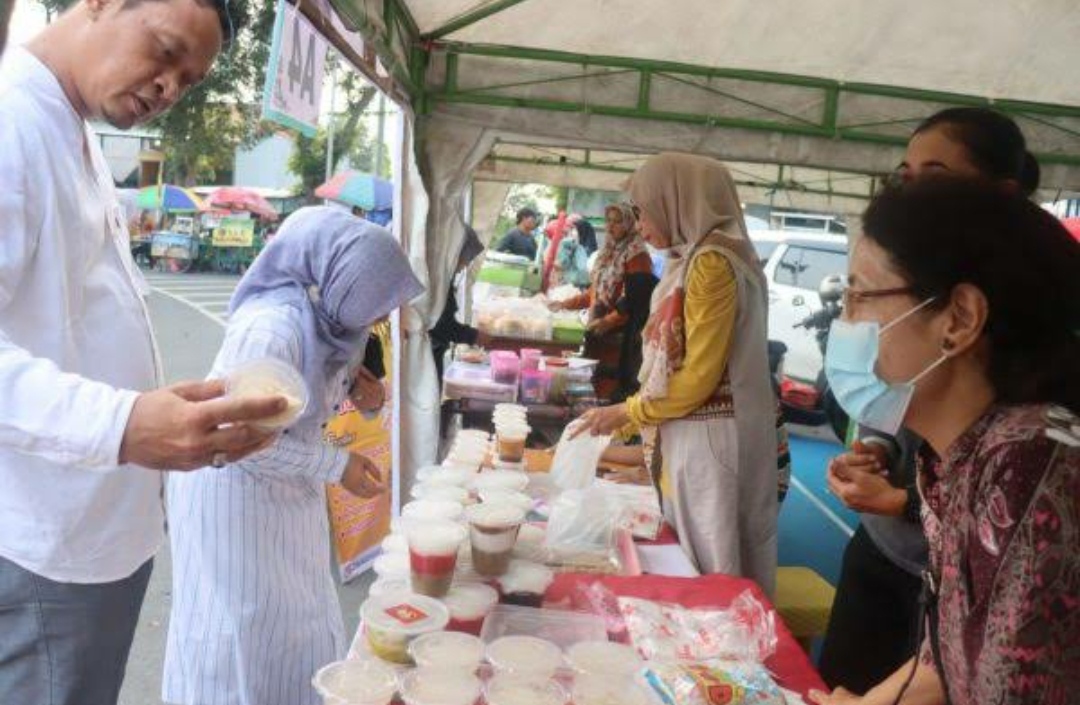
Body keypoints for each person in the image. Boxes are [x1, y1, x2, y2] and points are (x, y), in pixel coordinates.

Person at [0, 2, 290, 703]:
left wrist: (168, 406)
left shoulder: (73, 131)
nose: (168, 89)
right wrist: (126, 422)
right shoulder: (11, 124)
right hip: (49, 545)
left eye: (187, 82)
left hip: (95, 536)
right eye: (163, 51)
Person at [810, 177, 1079, 705]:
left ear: (958, 320)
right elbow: (949, 656)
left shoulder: (1031, 463)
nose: (844, 321)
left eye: (858, 295)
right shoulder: (958, 455)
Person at [163, 207, 424, 705]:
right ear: (344, 282)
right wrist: (337, 466)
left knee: (296, 623)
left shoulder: (330, 324)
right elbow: (235, 435)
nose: (379, 318)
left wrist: (363, 399)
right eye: (375, 302)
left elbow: (299, 408)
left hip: (285, 484)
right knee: (240, 630)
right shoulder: (272, 328)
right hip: (235, 494)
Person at [574, 154, 779, 595]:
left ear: (677, 200)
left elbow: (699, 376)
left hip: (709, 441)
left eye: (644, 210)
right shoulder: (709, 257)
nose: (640, 223)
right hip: (704, 434)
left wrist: (626, 412)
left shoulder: (711, 264)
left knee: (711, 566)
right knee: (709, 560)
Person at [552, 203, 657, 400]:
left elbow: (636, 298)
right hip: (598, 333)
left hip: (620, 338)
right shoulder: (609, 252)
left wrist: (608, 321)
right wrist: (564, 304)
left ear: (630, 224)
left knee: (610, 390)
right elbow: (596, 292)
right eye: (608, 221)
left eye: (618, 222)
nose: (611, 227)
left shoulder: (637, 255)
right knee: (592, 386)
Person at [430, 224, 484, 382]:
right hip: (428, 352)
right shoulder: (436, 279)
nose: (465, 265)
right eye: (466, 258)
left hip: (435, 349)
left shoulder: (442, 275)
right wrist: (473, 336)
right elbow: (440, 326)